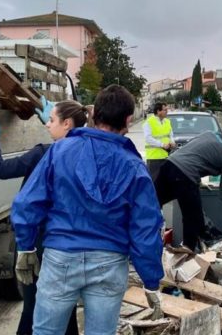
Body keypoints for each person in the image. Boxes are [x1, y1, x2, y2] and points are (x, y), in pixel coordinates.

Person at [11, 85, 165, 335]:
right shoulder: (134, 166)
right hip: (109, 262)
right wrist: (150, 280)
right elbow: (145, 227)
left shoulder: (59, 151)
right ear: (128, 120)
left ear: (94, 115)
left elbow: (28, 202)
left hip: (60, 257)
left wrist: (26, 246)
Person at [0, 97, 88, 335]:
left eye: (51, 120)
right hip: (72, 245)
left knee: (34, 307)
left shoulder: (42, 154)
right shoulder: (89, 154)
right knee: (64, 307)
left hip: (38, 244)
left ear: (66, 124)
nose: (46, 124)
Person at [153, 128, 222, 251]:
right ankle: (187, 250)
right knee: (194, 219)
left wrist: (199, 181)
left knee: (152, 204)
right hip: (185, 175)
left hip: (169, 164)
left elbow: (195, 153)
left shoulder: (212, 134)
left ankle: (139, 240)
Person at [143, 102, 175, 180]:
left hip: (166, 156)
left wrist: (172, 142)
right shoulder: (149, 122)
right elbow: (148, 138)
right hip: (154, 158)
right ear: (158, 111)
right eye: (165, 110)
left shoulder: (167, 121)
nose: (167, 111)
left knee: (165, 182)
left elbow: (170, 134)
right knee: (154, 181)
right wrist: (162, 144)